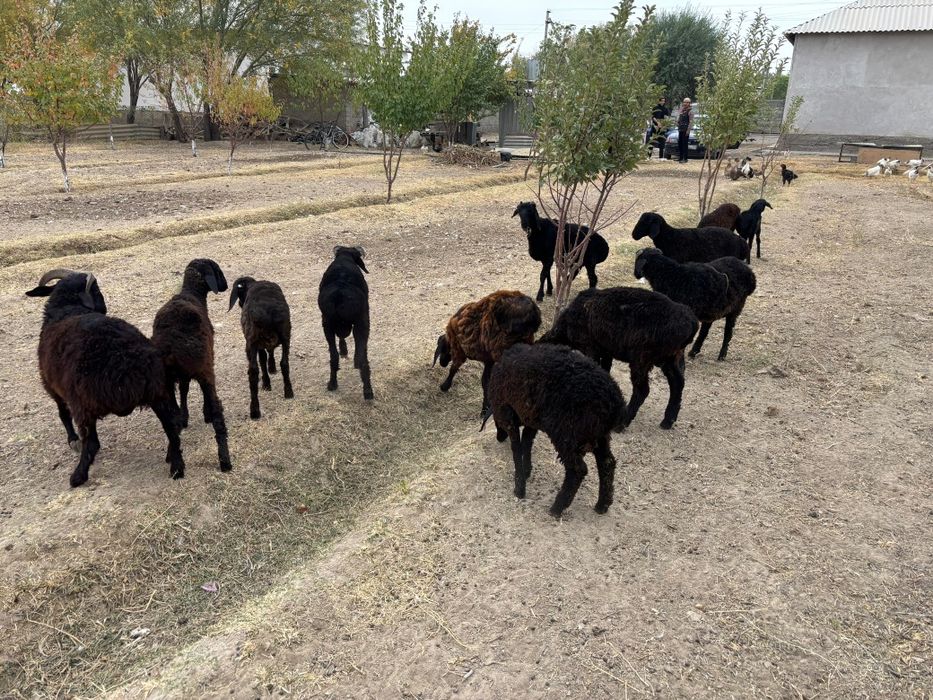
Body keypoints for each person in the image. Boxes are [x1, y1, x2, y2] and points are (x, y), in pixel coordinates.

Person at [677, 98, 693, 163]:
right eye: (684, 102)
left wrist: (688, 131)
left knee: (685, 144)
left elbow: (691, 122)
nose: (685, 104)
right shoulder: (682, 110)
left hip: (686, 130)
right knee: (680, 144)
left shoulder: (690, 111)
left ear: (689, 103)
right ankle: (680, 158)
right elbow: (678, 119)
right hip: (680, 129)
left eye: (687, 102)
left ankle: (685, 158)